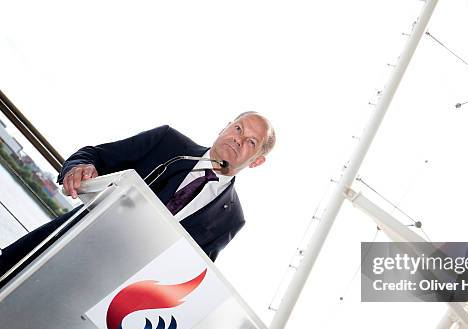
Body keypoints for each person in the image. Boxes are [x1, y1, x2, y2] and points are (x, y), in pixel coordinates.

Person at [0, 111, 275, 274]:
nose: (238, 139)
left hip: (94, 297)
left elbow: (184, 276)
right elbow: (93, 155)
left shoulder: (231, 220)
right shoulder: (168, 143)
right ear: (224, 127)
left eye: (251, 141)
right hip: (55, 247)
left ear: (257, 161)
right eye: (237, 128)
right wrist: (79, 167)